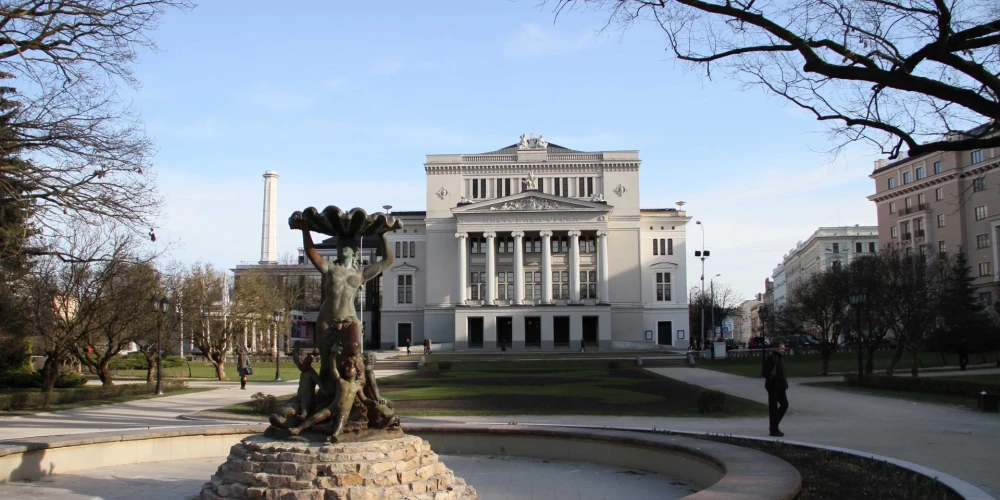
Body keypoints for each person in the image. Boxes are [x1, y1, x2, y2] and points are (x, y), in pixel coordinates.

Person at [762, 341, 788, 437]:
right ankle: (774, 428)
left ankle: (774, 424)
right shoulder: (772, 358)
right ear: (776, 348)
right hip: (773, 387)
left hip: (781, 387)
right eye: (781, 348)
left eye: (784, 349)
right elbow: (765, 372)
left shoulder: (779, 358)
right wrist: (773, 378)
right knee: (773, 408)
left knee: (784, 405)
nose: (783, 350)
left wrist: (784, 383)